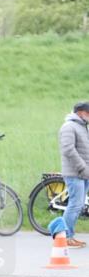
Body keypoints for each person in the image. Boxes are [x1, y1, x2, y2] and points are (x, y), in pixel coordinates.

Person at [58, 100, 89, 247]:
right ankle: (64, 237)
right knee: (75, 205)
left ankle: (68, 236)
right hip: (75, 173)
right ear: (81, 112)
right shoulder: (69, 127)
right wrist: (83, 168)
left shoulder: (82, 127)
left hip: (83, 173)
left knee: (78, 205)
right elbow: (68, 150)